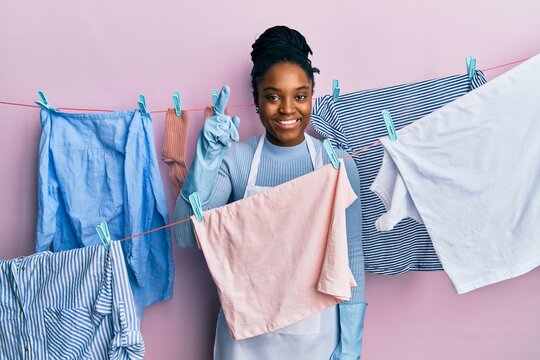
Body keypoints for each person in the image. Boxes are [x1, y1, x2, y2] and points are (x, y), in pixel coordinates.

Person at [174, 25, 366, 360]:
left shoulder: (334, 164)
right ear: (257, 101)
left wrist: (350, 349)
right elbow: (185, 235)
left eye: (301, 95)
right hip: (245, 344)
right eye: (273, 96)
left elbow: (352, 258)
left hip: (315, 341)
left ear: (312, 97)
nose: (288, 109)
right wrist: (206, 160)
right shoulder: (237, 159)